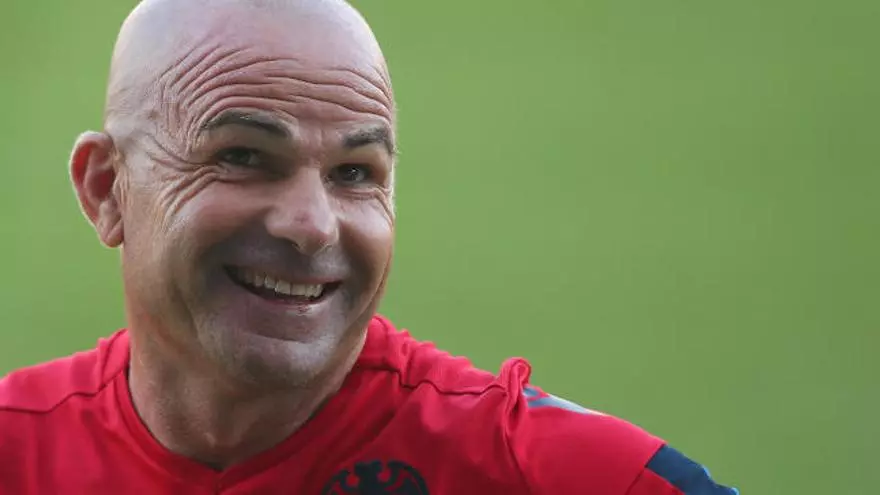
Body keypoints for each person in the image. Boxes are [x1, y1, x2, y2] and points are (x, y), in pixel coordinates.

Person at [0, 0, 738, 493]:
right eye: (243, 157)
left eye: (354, 173)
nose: (313, 225)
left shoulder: (544, 472)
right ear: (106, 189)